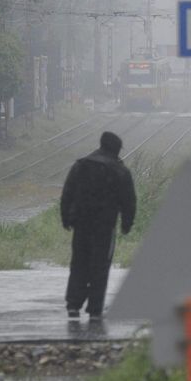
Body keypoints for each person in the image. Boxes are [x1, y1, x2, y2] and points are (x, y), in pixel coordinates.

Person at [60, 131, 136, 322]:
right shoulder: (119, 170)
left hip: (81, 224)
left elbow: (67, 192)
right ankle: (95, 309)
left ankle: (73, 305)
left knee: (79, 263)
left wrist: (65, 218)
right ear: (116, 148)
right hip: (105, 227)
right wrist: (126, 223)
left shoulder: (82, 165)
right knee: (100, 266)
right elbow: (129, 200)